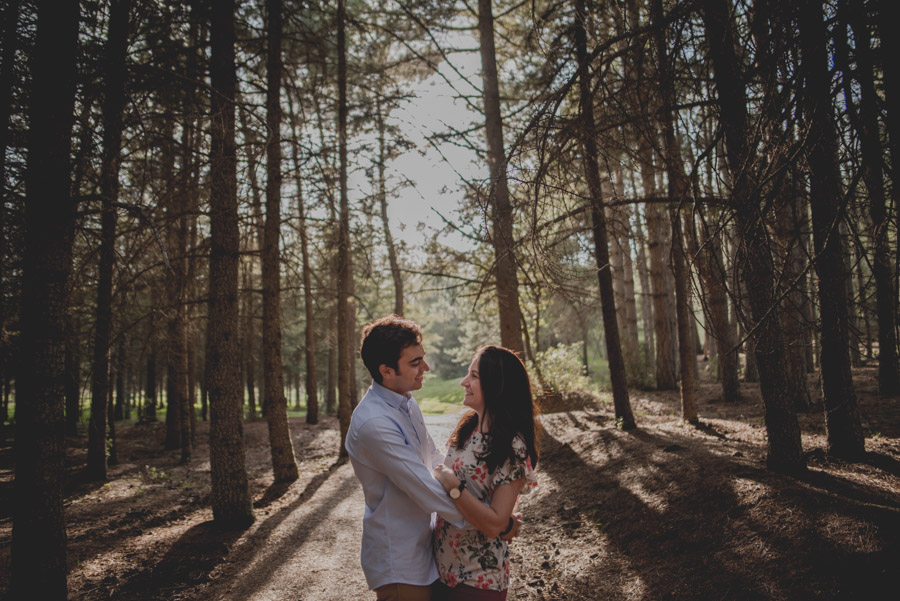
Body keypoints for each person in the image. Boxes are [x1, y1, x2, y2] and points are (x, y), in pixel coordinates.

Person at [345, 315, 471, 601]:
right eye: (415, 363)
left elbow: (435, 459)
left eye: (422, 359)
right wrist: (484, 519)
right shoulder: (373, 422)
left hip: (425, 545)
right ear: (386, 371)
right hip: (399, 560)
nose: (425, 368)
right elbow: (423, 487)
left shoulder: (405, 401)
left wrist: (474, 493)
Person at [431, 345, 539, 601]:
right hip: (441, 570)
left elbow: (495, 523)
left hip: (477, 580)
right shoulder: (468, 426)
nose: (463, 382)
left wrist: (454, 487)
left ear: (497, 385)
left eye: (474, 376)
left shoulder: (512, 444)